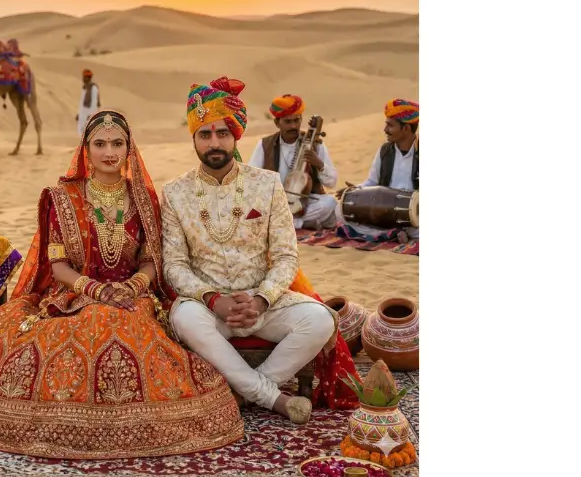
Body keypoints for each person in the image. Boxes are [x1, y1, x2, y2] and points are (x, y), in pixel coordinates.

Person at [0, 110, 243, 459]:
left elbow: (151, 261)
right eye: (99, 143)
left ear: (129, 148)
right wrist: (96, 290)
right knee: (85, 324)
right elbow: (57, 267)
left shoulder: (144, 199)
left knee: (124, 327)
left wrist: (132, 286)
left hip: (132, 296)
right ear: (86, 149)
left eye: (117, 143)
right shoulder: (63, 197)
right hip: (73, 294)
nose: (109, 151)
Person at [160, 77, 361, 427]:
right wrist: (214, 301)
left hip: (263, 302)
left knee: (322, 319)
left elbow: (286, 257)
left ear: (236, 135)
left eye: (222, 132)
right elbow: (174, 265)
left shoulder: (267, 184)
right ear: (193, 138)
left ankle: (245, 392)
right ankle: (272, 397)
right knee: (183, 318)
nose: (214, 142)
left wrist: (261, 301)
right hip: (208, 306)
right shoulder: (175, 193)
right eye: (204, 134)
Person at [246, 94, 340, 229]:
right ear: (277, 123)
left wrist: (318, 164)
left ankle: (281, 223)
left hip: (304, 204)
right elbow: (251, 179)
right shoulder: (264, 145)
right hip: (274, 202)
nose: (293, 126)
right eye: (288, 122)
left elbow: (332, 182)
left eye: (297, 121)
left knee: (330, 203)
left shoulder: (315, 143)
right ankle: (300, 224)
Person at [345, 98, 419, 192]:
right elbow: (372, 182)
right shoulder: (385, 151)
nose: (385, 130)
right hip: (387, 205)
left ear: (406, 128)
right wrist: (356, 190)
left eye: (390, 125)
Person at [75, 69, 101, 137]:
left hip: (89, 114)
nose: (83, 78)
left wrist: (91, 115)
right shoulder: (84, 87)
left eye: (84, 77)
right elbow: (81, 102)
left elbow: (94, 103)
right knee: (82, 132)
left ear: (87, 78)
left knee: (90, 133)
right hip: (83, 114)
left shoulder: (93, 87)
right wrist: (79, 113)